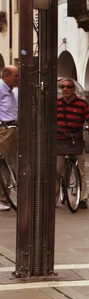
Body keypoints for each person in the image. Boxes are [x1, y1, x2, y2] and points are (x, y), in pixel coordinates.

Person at [57, 78, 89, 209]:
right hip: (60, 139)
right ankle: (55, 197)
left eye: (68, 87)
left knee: (80, 169)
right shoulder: (56, 103)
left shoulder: (82, 104)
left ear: (73, 89)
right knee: (58, 170)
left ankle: (83, 198)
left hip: (76, 139)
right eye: (62, 87)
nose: (65, 89)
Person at [0, 65, 19, 212]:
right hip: (4, 130)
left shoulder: (11, 91)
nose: (18, 78)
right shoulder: (1, 89)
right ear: (6, 75)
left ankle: (4, 197)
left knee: (8, 164)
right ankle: (2, 198)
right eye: (16, 75)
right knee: (3, 165)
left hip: (12, 129)